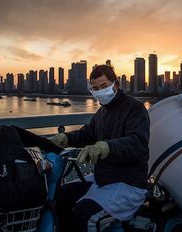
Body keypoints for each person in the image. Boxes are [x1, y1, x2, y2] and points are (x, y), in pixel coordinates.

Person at [49, 64, 150, 232]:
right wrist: (65, 138)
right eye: (96, 89)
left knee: (84, 213)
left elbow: (137, 143)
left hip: (128, 182)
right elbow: (86, 134)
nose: (100, 91)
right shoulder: (102, 113)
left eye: (104, 86)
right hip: (103, 176)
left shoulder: (135, 108)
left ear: (115, 84)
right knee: (60, 196)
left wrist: (106, 147)